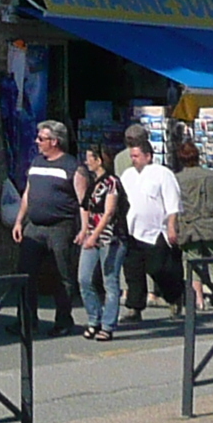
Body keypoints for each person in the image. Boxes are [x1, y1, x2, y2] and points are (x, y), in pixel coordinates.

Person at [11, 120, 84, 336]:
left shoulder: (72, 167)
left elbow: (83, 201)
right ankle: (26, 320)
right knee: (25, 274)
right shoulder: (36, 163)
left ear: (55, 141)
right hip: (34, 227)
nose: (37, 142)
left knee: (62, 276)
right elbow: (28, 193)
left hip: (60, 227)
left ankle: (63, 321)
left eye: (41, 139)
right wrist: (19, 221)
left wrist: (84, 229)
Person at [116, 132, 182, 326]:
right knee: (133, 272)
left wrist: (172, 226)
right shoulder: (127, 175)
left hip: (156, 231)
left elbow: (173, 202)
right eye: (132, 156)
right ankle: (134, 307)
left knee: (158, 268)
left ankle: (174, 296)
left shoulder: (162, 173)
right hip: (131, 230)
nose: (133, 160)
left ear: (148, 156)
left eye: (136, 156)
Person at [169, 130, 213, 307]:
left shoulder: (177, 179)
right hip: (212, 223)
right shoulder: (212, 175)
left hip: (189, 225)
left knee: (192, 262)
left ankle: (198, 300)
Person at [73, 138, 126, 341]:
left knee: (109, 281)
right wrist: (84, 230)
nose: (87, 162)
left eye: (90, 158)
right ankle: (93, 318)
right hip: (92, 235)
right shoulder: (93, 183)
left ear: (99, 160)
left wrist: (94, 235)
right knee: (84, 279)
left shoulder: (111, 182)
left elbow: (109, 211)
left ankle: (107, 324)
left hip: (111, 237)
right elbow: (85, 206)